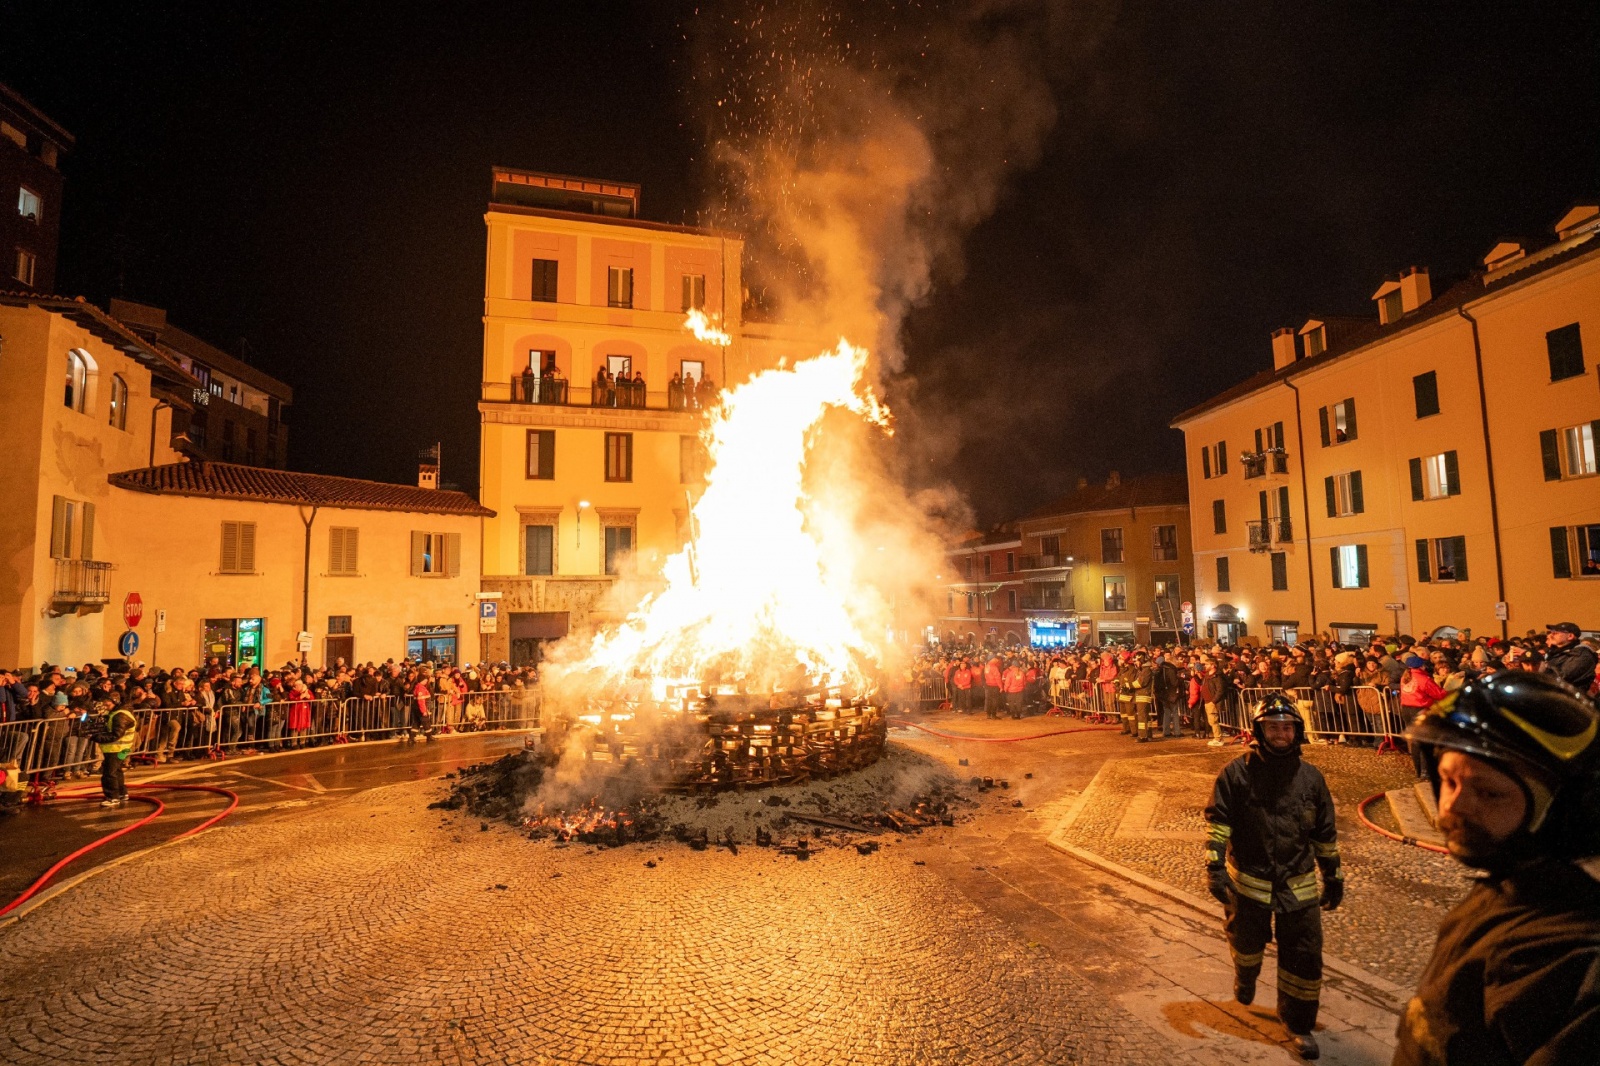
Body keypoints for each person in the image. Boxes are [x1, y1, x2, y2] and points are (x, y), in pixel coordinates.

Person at [1396, 671, 1600, 1065]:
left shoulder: (1567, 959)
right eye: (1448, 781)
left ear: (1559, 809)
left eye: (1488, 792)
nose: (1454, 807)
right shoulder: (1506, 888)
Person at [1205, 693, 1343, 1060]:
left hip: (1298, 886)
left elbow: (1325, 832)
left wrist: (1334, 876)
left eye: (1286, 727)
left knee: (1304, 956)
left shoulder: (1311, 778)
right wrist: (1214, 868)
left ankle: (1298, 1024)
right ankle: (1245, 975)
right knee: (1246, 942)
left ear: (1296, 731)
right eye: (1272, 727)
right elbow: (1218, 823)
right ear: (1258, 730)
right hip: (1248, 883)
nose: (1280, 734)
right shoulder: (1236, 773)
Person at [94, 702, 139, 808]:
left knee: (109, 773)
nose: (105, 705)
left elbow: (116, 735)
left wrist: (96, 737)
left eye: (107, 703)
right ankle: (122, 793)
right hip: (123, 749)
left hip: (116, 749)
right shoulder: (120, 713)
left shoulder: (120, 715)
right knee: (117, 770)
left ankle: (112, 797)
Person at [1542, 622, 1597, 696]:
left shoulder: (1582, 655)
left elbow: (1563, 677)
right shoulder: (1558, 653)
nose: (1551, 635)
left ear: (1570, 636)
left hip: (1571, 700)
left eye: (1555, 633)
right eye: (1551, 632)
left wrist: (1540, 668)